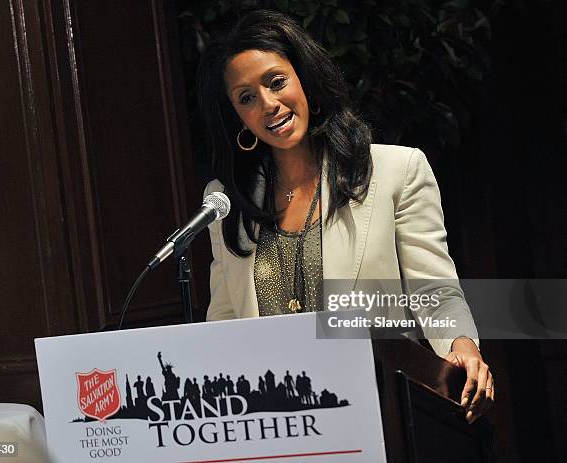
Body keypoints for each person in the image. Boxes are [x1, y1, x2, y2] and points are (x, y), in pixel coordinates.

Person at [196, 9, 493, 423]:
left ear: (305, 79)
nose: (268, 104)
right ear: (236, 116)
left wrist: (461, 345)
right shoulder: (226, 202)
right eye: (246, 98)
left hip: (378, 408)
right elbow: (224, 322)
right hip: (276, 422)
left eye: (276, 82)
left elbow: (435, 292)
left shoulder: (395, 172)